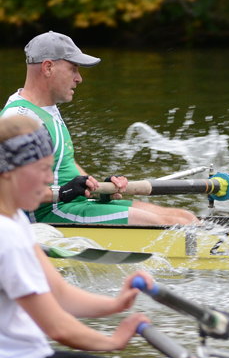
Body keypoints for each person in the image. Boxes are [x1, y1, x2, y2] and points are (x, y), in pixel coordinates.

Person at [0, 114, 183, 358]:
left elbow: (59, 294)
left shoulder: (16, 220)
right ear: (10, 171)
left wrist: (116, 304)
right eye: (43, 168)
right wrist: (112, 342)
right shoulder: (7, 234)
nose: (50, 179)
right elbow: (58, 328)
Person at [2, 31, 197, 226]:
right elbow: (7, 189)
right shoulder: (20, 118)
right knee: (169, 225)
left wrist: (98, 186)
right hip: (49, 215)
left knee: (184, 217)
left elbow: (64, 166)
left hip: (73, 204)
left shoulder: (47, 108)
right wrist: (63, 192)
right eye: (73, 69)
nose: (79, 78)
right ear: (48, 67)